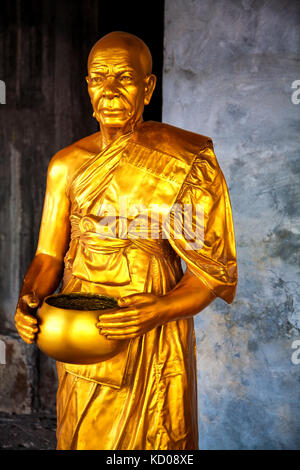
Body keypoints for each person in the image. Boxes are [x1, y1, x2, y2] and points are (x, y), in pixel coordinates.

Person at [14, 31, 237, 450]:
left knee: (157, 446)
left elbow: (212, 273)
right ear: (88, 86)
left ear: (148, 87)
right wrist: (29, 297)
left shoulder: (184, 161)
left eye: (125, 78)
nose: (111, 91)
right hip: (80, 330)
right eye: (99, 78)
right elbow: (48, 254)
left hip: (153, 334)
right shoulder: (66, 165)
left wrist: (161, 309)